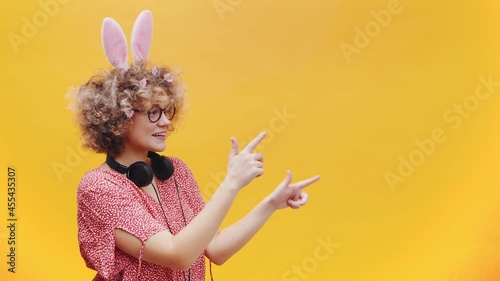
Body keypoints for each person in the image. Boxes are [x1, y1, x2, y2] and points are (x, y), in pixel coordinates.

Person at [69, 10, 320, 281]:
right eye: (153, 112)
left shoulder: (176, 171)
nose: (165, 121)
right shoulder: (99, 188)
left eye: (167, 111)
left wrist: (270, 203)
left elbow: (215, 249)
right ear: (120, 116)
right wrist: (231, 183)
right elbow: (178, 255)